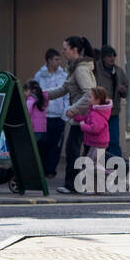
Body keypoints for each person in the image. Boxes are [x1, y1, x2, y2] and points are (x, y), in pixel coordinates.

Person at [57, 36, 97, 194]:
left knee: (73, 149)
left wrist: (73, 109)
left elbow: (88, 94)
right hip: (83, 116)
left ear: (74, 50)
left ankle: (72, 185)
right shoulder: (75, 68)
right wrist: (44, 95)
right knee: (88, 149)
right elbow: (64, 89)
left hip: (82, 117)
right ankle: (79, 183)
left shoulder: (80, 69)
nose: (63, 52)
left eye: (65, 48)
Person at [32, 49, 68, 179]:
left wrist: (65, 114)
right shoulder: (39, 75)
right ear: (49, 60)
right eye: (56, 59)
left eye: (59, 59)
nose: (58, 62)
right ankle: (41, 169)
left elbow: (66, 96)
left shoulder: (63, 76)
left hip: (58, 116)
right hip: (43, 116)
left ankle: (51, 170)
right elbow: (35, 95)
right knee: (42, 143)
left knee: (56, 144)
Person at [70, 87, 113, 188]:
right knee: (93, 165)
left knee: (90, 165)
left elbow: (95, 129)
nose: (88, 99)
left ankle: (111, 174)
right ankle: (97, 188)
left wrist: (82, 126)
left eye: (90, 97)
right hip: (98, 143)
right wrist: (76, 117)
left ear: (97, 100)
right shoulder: (95, 111)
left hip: (98, 144)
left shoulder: (96, 114)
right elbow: (86, 118)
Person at [97, 46, 129, 161]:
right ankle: (101, 163)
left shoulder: (118, 71)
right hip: (99, 111)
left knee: (114, 139)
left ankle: (117, 164)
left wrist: (123, 90)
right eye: (109, 56)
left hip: (113, 111)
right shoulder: (97, 70)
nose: (112, 58)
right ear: (103, 58)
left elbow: (126, 87)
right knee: (100, 140)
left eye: (113, 56)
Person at [24, 81, 51, 178]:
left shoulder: (30, 100)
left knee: (30, 151)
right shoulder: (42, 100)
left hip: (33, 129)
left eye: (26, 90)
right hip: (42, 130)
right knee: (40, 152)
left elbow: (27, 114)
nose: (24, 93)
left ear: (31, 91)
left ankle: (31, 171)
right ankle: (41, 171)